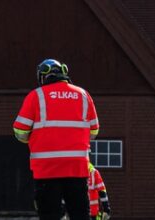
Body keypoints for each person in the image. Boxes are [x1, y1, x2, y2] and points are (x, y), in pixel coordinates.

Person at [13, 59, 100, 220]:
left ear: (42, 76)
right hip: (77, 168)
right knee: (79, 214)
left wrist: (35, 139)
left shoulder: (36, 96)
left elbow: (20, 131)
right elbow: (94, 131)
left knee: (49, 214)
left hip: (47, 169)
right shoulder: (83, 95)